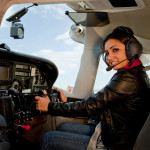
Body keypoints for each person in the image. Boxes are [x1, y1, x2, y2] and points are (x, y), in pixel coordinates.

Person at [35, 26, 150, 150]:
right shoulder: (133, 73)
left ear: (132, 50)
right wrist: (67, 100)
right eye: (106, 53)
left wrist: (49, 107)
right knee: (63, 127)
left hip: (115, 144)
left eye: (115, 50)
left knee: (48, 138)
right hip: (114, 134)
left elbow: (91, 106)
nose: (109, 58)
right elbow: (100, 101)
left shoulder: (128, 79)